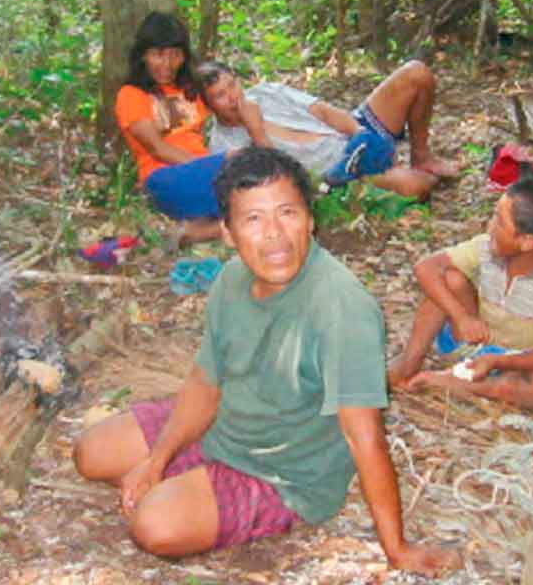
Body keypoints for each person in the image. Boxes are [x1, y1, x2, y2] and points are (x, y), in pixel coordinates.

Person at [73, 147, 462, 576]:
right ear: (227, 231)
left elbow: (364, 438)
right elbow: (206, 382)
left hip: (284, 471)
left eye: (287, 213)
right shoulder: (231, 279)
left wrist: (398, 549)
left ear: (311, 219)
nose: (274, 234)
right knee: (90, 453)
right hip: (227, 420)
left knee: (154, 524)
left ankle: (221, 498)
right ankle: (187, 477)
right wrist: (158, 458)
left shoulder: (342, 308)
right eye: (253, 219)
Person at [387, 172, 533, 409]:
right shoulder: (485, 247)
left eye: (499, 221)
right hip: (466, 339)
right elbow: (425, 268)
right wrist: (462, 318)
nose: (490, 226)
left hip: (508, 361)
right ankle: (408, 365)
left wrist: (495, 360)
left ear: (527, 241)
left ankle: (447, 382)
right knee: (449, 279)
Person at [199, 60, 459, 200]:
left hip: (352, 132)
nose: (233, 97)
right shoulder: (223, 146)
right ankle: (404, 172)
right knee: (417, 187)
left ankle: (422, 156)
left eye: (232, 85)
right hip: (338, 174)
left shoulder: (265, 92)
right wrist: (256, 131)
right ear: (209, 106)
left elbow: (321, 110)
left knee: (416, 73)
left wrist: (360, 134)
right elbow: (279, 181)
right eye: (221, 95)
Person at [114, 11, 225, 246]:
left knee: (261, 188)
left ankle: (200, 232)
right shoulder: (131, 95)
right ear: (143, 55)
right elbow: (157, 149)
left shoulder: (189, 90)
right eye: (158, 55)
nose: (167, 64)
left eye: (175, 55)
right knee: (247, 172)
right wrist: (212, 167)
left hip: (204, 175)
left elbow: (229, 111)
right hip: (164, 179)